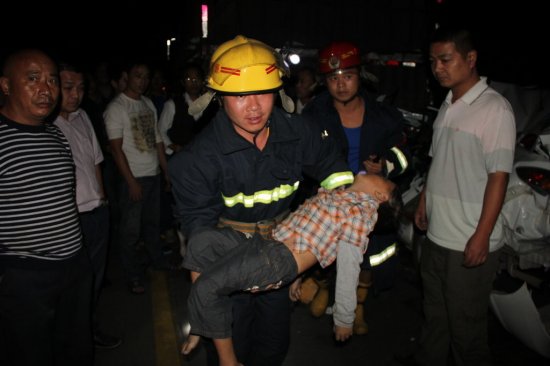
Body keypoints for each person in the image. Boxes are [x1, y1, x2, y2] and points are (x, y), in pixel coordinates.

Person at [169, 35, 354, 366]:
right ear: (218, 97)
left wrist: (305, 257)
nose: (253, 106)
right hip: (227, 265)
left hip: (284, 254)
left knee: (272, 349)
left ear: (278, 92)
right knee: (232, 350)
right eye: (239, 95)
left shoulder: (301, 133)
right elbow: (201, 244)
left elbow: (336, 179)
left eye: (263, 92)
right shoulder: (197, 160)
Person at [181, 172, 402, 366]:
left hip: (276, 260)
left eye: (384, 180)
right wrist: (298, 276)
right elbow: (313, 237)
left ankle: (228, 361)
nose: (378, 174)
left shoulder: (363, 211)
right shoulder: (339, 195)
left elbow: (349, 267)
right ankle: (203, 323)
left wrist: (344, 318)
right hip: (265, 244)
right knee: (201, 241)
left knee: (208, 287)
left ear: (380, 197)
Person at [409, 27, 516, 366]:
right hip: (438, 237)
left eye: (445, 59)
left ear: (470, 59)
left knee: (467, 333)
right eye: (432, 61)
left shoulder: (495, 109)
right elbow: (440, 161)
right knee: (435, 321)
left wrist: (482, 236)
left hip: (467, 240)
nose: (438, 67)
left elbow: (499, 176)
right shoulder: (448, 103)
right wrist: (425, 198)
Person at [302, 41, 410, 334]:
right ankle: (325, 287)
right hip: (329, 200)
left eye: (347, 76)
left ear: (360, 76)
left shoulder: (384, 116)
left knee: (366, 257)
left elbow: (405, 154)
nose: (341, 85)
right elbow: (302, 157)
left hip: (370, 203)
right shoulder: (314, 116)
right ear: (325, 82)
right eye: (334, 78)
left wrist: (386, 164)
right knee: (325, 251)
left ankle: (357, 305)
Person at [0, 49, 93, 365]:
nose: (46, 89)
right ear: (6, 85)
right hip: (26, 275)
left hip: (74, 268)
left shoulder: (55, 133)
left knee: (75, 349)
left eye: (52, 80)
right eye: (32, 79)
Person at [53, 62, 122, 349]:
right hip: (70, 219)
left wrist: (103, 200)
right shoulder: (46, 125)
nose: (75, 95)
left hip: (96, 213)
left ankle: (88, 329)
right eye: (68, 88)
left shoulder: (82, 118)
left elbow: (96, 162)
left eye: (80, 88)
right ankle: (70, 338)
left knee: (93, 280)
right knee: (71, 286)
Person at [103, 60, 172, 295]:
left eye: (145, 76)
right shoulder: (117, 107)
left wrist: (165, 171)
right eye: (137, 75)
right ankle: (133, 275)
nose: (142, 81)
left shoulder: (147, 103)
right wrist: (131, 181)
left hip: (152, 175)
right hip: (133, 178)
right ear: (127, 76)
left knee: (152, 226)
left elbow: (158, 140)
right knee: (130, 232)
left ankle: (157, 261)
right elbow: (115, 149)